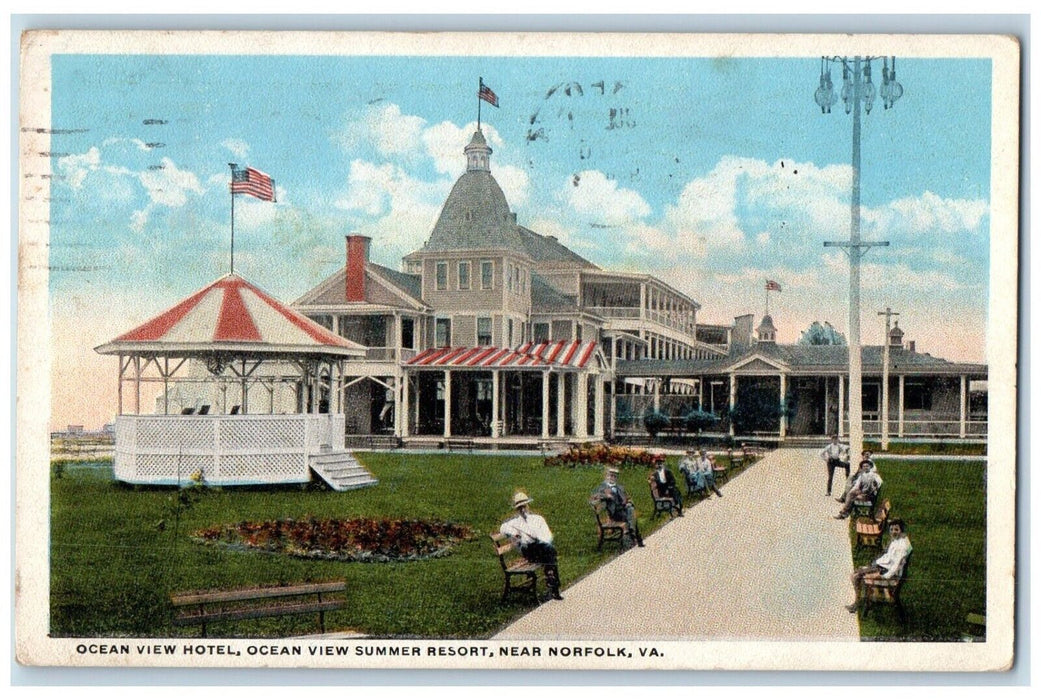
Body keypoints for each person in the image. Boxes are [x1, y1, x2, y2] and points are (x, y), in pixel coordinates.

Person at [500, 491, 563, 600]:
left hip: (542, 548)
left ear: (528, 506)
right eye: (519, 508)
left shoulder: (537, 519)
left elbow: (548, 536)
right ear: (516, 510)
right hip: (529, 551)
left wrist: (540, 539)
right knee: (550, 552)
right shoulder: (515, 523)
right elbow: (503, 528)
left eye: (524, 506)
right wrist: (515, 533)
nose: (522, 510)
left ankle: (551, 578)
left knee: (548, 549)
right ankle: (552, 581)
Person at [846, 519, 912, 612]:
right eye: (891, 529)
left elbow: (896, 566)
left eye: (896, 530)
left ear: (901, 530)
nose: (893, 532)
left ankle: (857, 603)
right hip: (881, 566)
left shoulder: (901, 547)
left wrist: (883, 576)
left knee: (855, 576)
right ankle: (860, 600)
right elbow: (888, 556)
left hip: (885, 572)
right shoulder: (897, 540)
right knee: (857, 572)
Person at [591, 467, 645, 547]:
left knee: (630, 509)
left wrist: (628, 502)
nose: (612, 478)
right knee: (631, 515)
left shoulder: (619, 487)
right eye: (611, 476)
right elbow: (593, 498)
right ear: (607, 477)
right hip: (613, 514)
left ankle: (631, 533)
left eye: (615, 476)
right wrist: (606, 496)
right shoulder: (603, 487)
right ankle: (634, 536)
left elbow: (628, 497)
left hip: (623, 511)